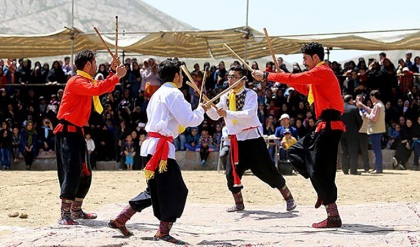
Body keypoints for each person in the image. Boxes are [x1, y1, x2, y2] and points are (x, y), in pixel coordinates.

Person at [109, 58, 207, 244]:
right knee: (177, 190)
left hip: (151, 146)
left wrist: (199, 111)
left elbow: (175, 122)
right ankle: (163, 231)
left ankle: (121, 218)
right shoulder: (174, 94)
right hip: (161, 150)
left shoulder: (158, 93)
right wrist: (201, 110)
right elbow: (189, 120)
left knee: (154, 189)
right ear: (177, 75)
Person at [253, 42, 345, 228]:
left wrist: (267, 76)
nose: (303, 62)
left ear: (315, 58)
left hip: (329, 126)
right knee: (296, 152)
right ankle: (320, 187)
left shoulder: (323, 71)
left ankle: (332, 214)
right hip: (323, 126)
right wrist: (285, 79)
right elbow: (304, 87)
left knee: (321, 170)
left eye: (305, 59)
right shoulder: (320, 76)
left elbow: (298, 78)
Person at [206, 65, 296, 213]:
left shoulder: (250, 94)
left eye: (234, 77)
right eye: (229, 77)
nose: (230, 80)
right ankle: (239, 203)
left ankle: (289, 198)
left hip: (253, 139)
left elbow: (248, 114)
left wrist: (226, 113)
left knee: (268, 171)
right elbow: (216, 115)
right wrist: (208, 108)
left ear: (242, 79)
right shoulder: (225, 96)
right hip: (236, 141)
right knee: (231, 173)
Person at [53, 50, 126, 225]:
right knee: (72, 171)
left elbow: (98, 85)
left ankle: (76, 210)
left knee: (85, 171)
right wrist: (116, 76)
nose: (95, 66)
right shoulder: (76, 81)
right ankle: (65, 214)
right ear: (87, 64)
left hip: (77, 132)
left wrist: (112, 71)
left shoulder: (84, 81)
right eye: (94, 63)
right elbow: (98, 88)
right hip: (67, 132)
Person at [356, 90, 386, 174]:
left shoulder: (377, 106)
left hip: (375, 130)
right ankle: (377, 167)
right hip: (378, 130)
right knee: (377, 150)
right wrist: (362, 105)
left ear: (373, 96)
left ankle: (378, 168)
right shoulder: (380, 105)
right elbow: (371, 110)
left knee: (377, 150)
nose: (370, 98)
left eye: (371, 96)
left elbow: (374, 119)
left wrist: (366, 115)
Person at [340, 95, 363, 175]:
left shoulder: (339, 108)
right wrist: (357, 129)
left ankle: (345, 169)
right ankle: (353, 170)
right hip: (352, 133)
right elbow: (359, 121)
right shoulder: (354, 108)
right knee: (353, 152)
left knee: (344, 151)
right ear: (350, 100)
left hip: (341, 132)